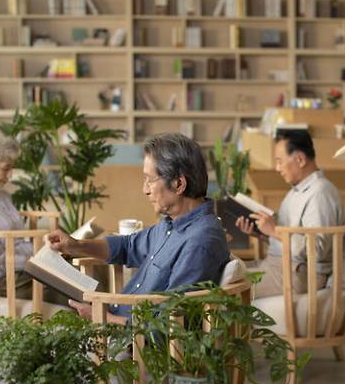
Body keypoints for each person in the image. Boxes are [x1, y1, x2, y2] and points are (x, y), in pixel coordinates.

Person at [46, 132, 230, 324]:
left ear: (178, 184)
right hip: (120, 324)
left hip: (135, 344)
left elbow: (170, 325)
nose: (145, 190)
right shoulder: (172, 223)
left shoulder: (199, 241)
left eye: (150, 180)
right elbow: (128, 246)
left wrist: (104, 319)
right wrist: (76, 245)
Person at [0, 127, 67, 305]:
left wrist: (43, 250)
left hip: (21, 270)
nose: (10, 176)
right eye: (5, 169)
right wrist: (35, 259)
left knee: (77, 271)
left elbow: (18, 240)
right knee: (66, 289)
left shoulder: (3, 196)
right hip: (2, 280)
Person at [235, 128, 344, 299]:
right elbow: (286, 238)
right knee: (224, 271)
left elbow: (317, 250)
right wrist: (261, 233)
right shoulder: (296, 191)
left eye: (279, 161)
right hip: (278, 265)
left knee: (227, 287)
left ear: (300, 159)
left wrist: (274, 230)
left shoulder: (320, 193)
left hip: (298, 273)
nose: (277, 168)